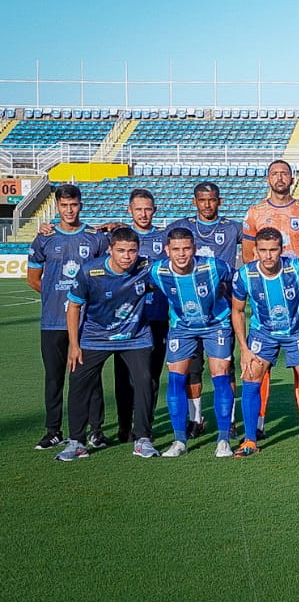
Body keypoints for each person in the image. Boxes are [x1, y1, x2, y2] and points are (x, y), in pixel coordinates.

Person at [56, 227, 157, 461]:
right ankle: (76, 442)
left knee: (144, 382)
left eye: (132, 251)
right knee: (79, 384)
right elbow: (73, 307)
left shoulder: (147, 267)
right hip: (95, 337)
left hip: (135, 336)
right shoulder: (90, 271)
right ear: (110, 249)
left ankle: (142, 438)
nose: (127, 256)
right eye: (121, 250)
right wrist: (74, 344)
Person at [229, 227, 299, 458]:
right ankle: (250, 440)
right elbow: (238, 311)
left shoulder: (297, 266)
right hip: (263, 333)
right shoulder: (244, 275)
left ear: (282, 249)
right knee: (252, 376)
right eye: (263, 250)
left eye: (273, 250)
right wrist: (243, 349)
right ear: (255, 250)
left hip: (297, 331)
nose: (268, 255)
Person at [241, 159, 299, 440]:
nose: (279, 178)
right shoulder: (255, 213)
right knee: (260, 364)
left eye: (284, 173)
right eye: (274, 173)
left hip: (298, 297)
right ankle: (258, 422)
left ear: (292, 178)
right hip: (266, 295)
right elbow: (249, 256)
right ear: (267, 179)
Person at [28, 183, 108, 451]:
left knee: (90, 378)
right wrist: (57, 295)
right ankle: (53, 431)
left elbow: (103, 276)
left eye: (73, 204)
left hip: (87, 322)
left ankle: (96, 431)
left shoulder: (95, 237)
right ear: (57, 207)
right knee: (54, 378)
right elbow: (33, 279)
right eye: (64, 205)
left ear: (80, 205)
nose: (69, 210)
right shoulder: (44, 238)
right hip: (52, 321)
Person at [149, 227, 237, 458]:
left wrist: (226, 295)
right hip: (182, 328)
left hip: (216, 324)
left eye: (186, 248)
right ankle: (180, 440)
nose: (181, 254)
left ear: (194, 249)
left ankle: (223, 439)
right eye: (176, 249)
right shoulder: (157, 270)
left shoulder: (213, 266)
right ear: (167, 250)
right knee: (176, 380)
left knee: (221, 376)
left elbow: (239, 280)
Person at [168, 181, 242, 439]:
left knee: (225, 368)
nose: (207, 204)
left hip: (221, 312)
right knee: (192, 369)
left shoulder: (232, 227)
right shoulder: (181, 227)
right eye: (202, 200)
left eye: (212, 200)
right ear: (194, 201)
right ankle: (195, 418)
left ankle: (229, 420)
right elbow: (154, 245)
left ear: (219, 201)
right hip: (187, 315)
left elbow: (257, 241)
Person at [118, 188, 169, 444]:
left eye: (148, 209)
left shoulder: (164, 237)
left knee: (150, 376)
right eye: (138, 209)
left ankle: (144, 427)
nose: (143, 213)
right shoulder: (118, 238)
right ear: (130, 210)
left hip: (158, 317)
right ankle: (124, 426)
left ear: (154, 210)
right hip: (126, 320)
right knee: (124, 377)